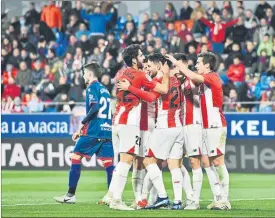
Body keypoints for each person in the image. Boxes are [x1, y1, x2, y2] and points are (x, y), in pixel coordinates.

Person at [101, 44, 170, 211]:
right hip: (129, 121)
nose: (143, 58)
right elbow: (162, 90)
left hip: (117, 119)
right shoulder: (139, 75)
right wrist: (166, 74)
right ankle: (117, 200)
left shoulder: (120, 73)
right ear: (133, 59)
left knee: (123, 161)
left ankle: (111, 196)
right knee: (127, 161)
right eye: (140, 55)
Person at [166, 51, 231, 210]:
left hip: (215, 124)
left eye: (199, 63)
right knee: (213, 161)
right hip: (206, 126)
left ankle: (224, 199)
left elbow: (192, 76)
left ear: (207, 65)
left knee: (218, 161)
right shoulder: (203, 81)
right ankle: (219, 198)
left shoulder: (212, 77)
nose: (196, 66)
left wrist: (176, 62)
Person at [54, 62, 114, 204]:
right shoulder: (104, 89)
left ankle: (70, 195)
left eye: (83, 73)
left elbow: (95, 108)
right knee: (108, 163)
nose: (82, 76)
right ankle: (113, 197)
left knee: (75, 156)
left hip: (94, 131)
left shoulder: (91, 88)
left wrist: (81, 125)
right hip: (107, 130)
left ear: (89, 74)